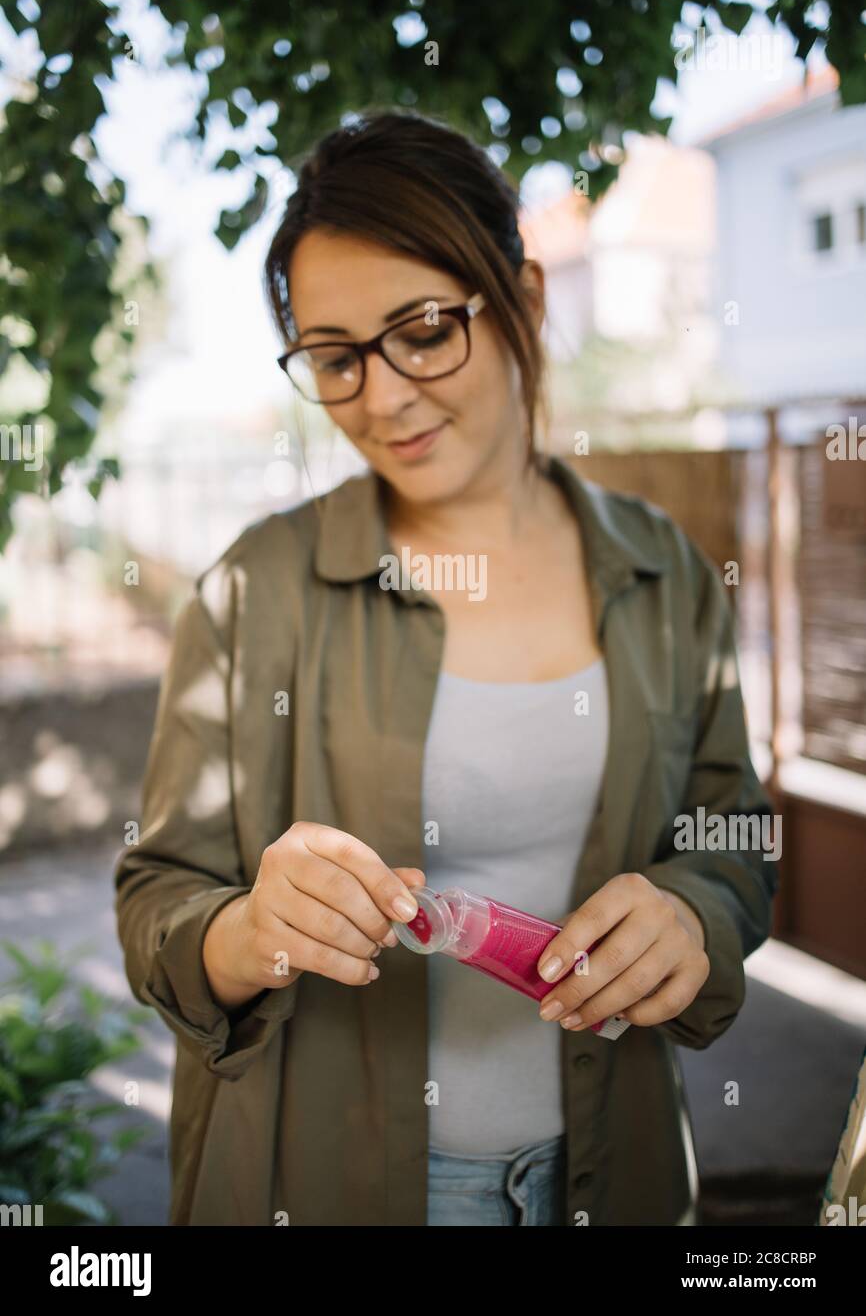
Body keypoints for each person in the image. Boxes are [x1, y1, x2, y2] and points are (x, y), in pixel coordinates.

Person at [114, 109, 779, 1227]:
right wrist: (250, 928)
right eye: (334, 357)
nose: (380, 396)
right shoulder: (251, 591)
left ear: (521, 298)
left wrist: (693, 912)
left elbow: (736, 836)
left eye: (422, 330)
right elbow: (156, 903)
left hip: (608, 1179)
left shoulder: (664, 571)